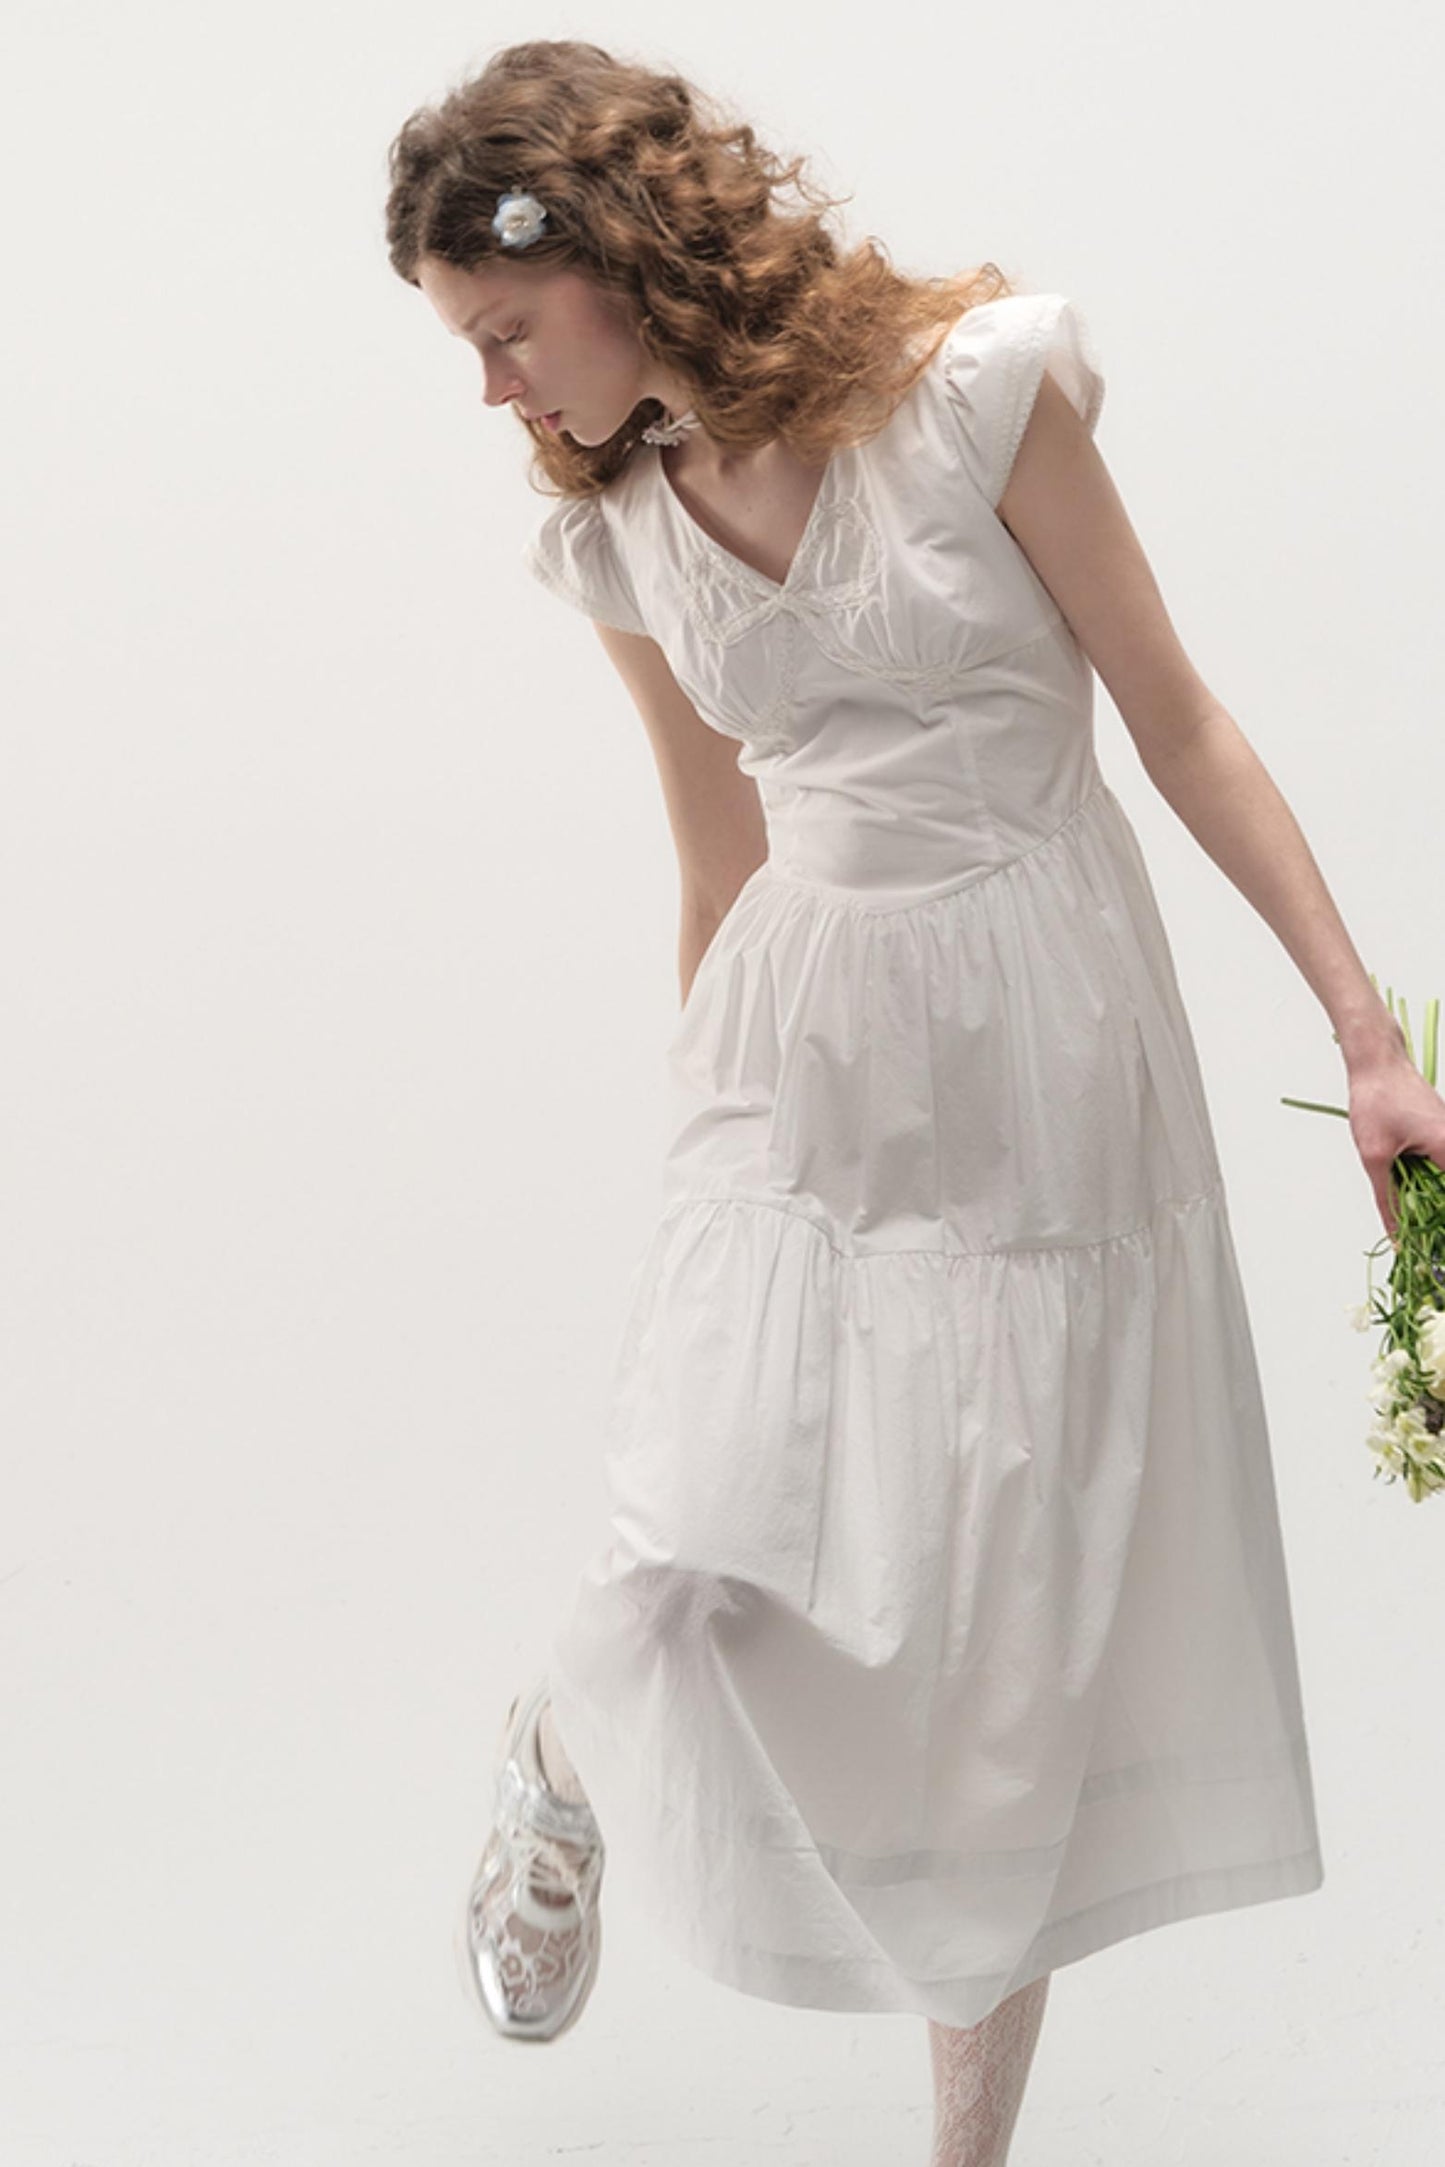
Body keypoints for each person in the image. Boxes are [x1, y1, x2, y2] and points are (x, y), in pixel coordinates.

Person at [385, 37, 1445, 2164]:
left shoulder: (969, 392)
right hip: (800, 1055)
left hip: (1049, 1047)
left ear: (615, 255)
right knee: (693, 1543)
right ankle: (561, 1752)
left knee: (999, 1665)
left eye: (503, 333)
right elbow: (717, 853)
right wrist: (716, 1158)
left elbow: (1177, 717)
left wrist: (1365, 1036)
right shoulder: (623, 534)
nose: (491, 393)